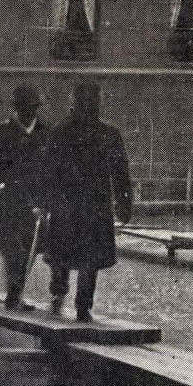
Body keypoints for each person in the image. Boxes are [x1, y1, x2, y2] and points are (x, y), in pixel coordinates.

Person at [42, 81, 132, 322]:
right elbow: (121, 174)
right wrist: (124, 205)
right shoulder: (108, 134)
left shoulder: (60, 131)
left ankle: (59, 296)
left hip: (68, 203)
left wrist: (45, 200)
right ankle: (81, 305)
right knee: (88, 258)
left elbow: (48, 171)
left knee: (64, 254)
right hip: (93, 205)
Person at [0, 85, 49, 311]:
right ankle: (13, 294)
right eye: (24, 108)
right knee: (11, 248)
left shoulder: (45, 133)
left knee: (30, 247)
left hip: (35, 202)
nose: (29, 113)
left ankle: (15, 291)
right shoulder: (0, 132)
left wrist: (45, 200)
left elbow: (51, 170)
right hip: (8, 200)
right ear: (17, 108)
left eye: (33, 108)